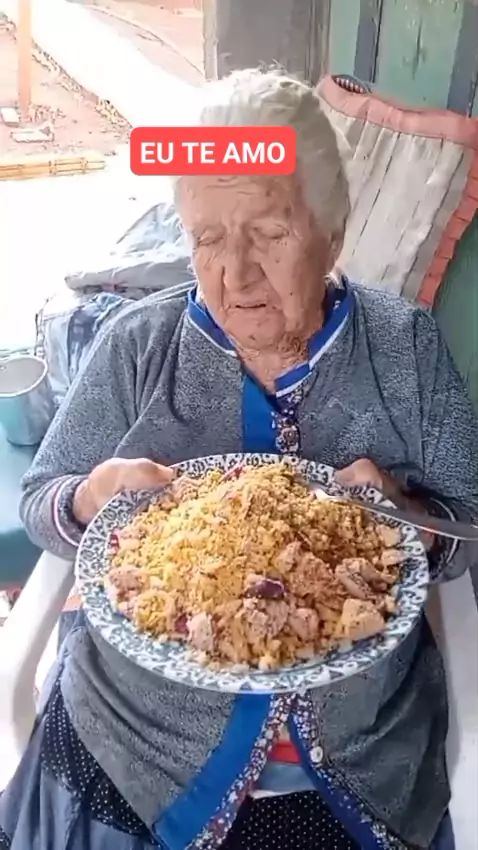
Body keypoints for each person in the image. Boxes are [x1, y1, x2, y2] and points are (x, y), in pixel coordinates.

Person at [1, 68, 477, 850]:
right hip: (137, 741)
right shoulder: (137, 346)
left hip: (353, 753)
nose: (236, 273)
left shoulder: (405, 348)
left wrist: (406, 518)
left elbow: (466, 525)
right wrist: (89, 497)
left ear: (332, 231)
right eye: (208, 238)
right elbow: (42, 498)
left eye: (269, 233)